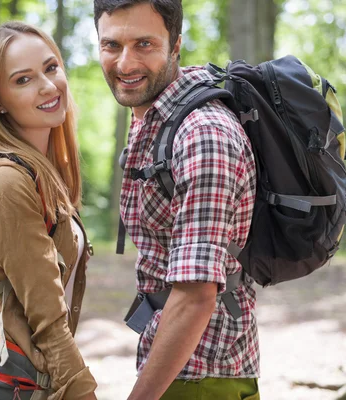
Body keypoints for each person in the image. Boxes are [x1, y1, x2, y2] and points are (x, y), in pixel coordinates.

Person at [94, 1, 260, 399]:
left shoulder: (202, 134)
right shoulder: (156, 118)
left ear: (176, 45)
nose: (125, 63)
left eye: (145, 44)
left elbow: (196, 295)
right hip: (179, 369)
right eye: (112, 45)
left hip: (204, 376)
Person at [0, 21, 97, 400]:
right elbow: (48, 319)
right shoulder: (5, 182)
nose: (47, 86)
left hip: (23, 381)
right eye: (22, 80)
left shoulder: (40, 174)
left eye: (51, 67)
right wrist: (83, 392)